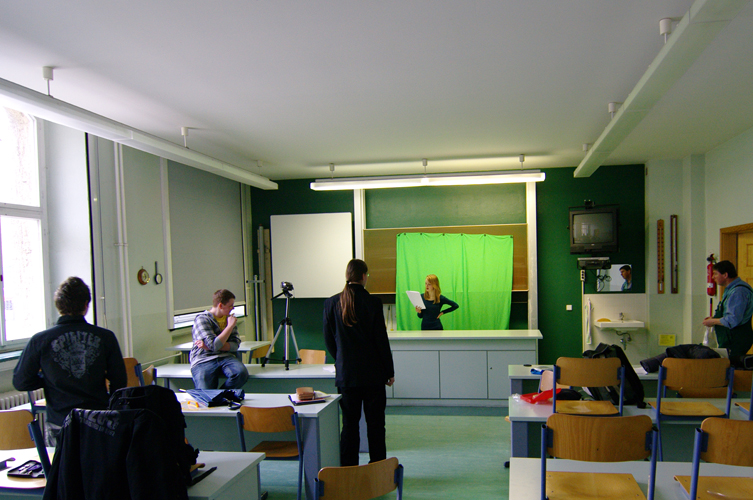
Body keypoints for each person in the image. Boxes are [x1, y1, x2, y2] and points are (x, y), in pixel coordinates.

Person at [13, 277, 128, 446]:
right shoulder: (106, 337)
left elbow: (21, 381)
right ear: (86, 305)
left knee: (61, 463)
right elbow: (119, 381)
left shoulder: (40, 340)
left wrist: (48, 379)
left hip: (59, 422)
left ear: (58, 306)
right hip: (99, 420)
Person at [323, 259, 395, 466]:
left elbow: (329, 340)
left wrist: (342, 359)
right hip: (373, 375)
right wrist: (389, 371)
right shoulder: (373, 303)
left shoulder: (331, 303)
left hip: (347, 375)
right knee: (376, 425)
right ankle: (378, 469)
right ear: (363, 277)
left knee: (349, 425)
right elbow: (381, 340)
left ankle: (348, 471)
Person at [190, 289, 249, 389]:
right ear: (221, 305)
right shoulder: (202, 319)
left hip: (226, 357)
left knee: (241, 373)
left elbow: (235, 345)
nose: (233, 308)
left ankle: (222, 395)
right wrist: (229, 327)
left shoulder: (229, 319)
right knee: (205, 389)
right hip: (204, 359)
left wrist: (211, 347)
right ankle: (215, 397)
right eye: (230, 305)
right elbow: (214, 345)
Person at [702, 260, 753, 363]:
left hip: (736, 340)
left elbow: (732, 320)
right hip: (730, 338)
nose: (713, 277)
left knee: (730, 368)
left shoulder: (738, 292)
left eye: (715, 274)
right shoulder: (731, 289)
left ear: (725, 275)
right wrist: (715, 319)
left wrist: (713, 321)